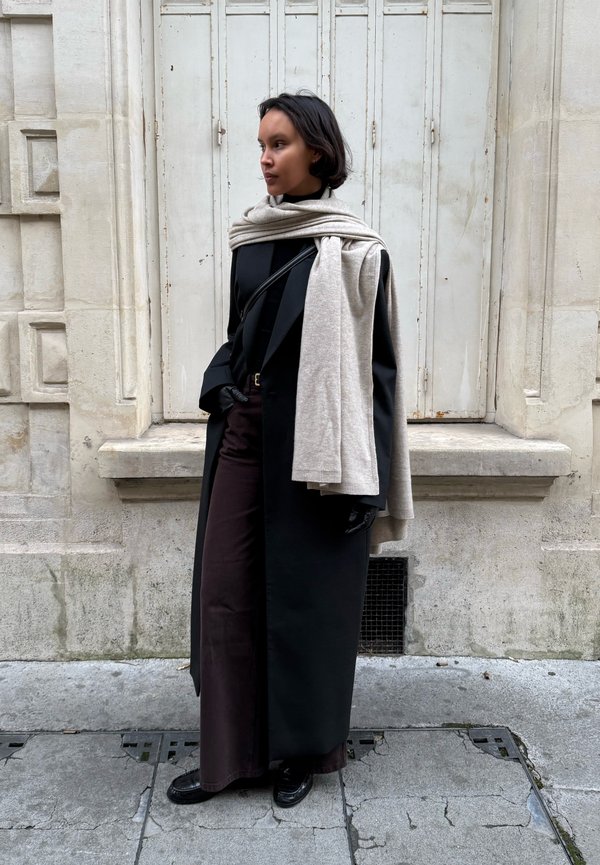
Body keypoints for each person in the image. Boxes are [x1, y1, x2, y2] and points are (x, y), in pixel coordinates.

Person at [167, 92, 413, 809]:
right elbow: (239, 336)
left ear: (318, 152)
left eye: (279, 144)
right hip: (245, 434)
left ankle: (302, 752)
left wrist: (368, 483)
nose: (266, 159)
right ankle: (229, 756)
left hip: (321, 448)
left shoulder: (359, 250)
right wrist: (220, 385)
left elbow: (378, 375)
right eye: (261, 145)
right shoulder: (251, 239)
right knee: (225, 592)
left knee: (307, 602)